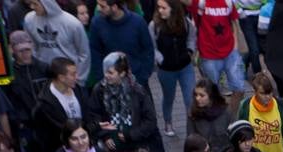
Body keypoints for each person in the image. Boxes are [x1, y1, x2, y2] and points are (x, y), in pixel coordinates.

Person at [90, 53, 160, 152]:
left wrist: (131, 135)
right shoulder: (99, 90)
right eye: (105, 71)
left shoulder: (138, 91)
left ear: (122, 73)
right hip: (114, 149)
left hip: (137, 145)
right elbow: (94, 116)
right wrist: (104, 135)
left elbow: (150, 121)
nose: (106, 76)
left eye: (110, 73)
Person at [33, 59, 96, 152]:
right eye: (73, 74)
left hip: (86, 149)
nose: (77, 77)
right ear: (61, 77)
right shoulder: (45, 104)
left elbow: (88, 116)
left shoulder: (79, 91)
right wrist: (95, 127)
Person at [3, 29, 54, 152]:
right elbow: (6, 101)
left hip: (47, 124)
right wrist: (17, 121)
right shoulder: (9, 75)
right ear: (13, 50)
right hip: (24, 127)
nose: (25, 54)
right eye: (21, 51)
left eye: (27, 50)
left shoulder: (44, 68)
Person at [151, 0, 197, 137]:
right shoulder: (154, 26)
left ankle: (191, 127)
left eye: (164, 8)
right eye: (159, 7)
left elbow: (191, 38)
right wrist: (161, 59)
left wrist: (189, 52)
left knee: (190, 98)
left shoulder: (185, 23)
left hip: (185, 67)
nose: (160, 10)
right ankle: (168, 122)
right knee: (168, 97)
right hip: (166, 70)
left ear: (173, 8)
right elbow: (151, 47)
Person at [90, 0, 156, 91]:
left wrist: (142, 77)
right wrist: (102, 77)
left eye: (102, 6)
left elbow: (148, 50)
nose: (98, 9)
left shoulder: (138, 22)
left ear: (114, 7)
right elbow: (94, 51)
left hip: (137, 81)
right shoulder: (97, 23)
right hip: (110, 83)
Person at [189, 0, 245, 97]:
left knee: (239, 89)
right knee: (212, 91)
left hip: (230, 52)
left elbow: (233, 22)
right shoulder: (200, 2)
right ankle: (215, 111)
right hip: (208, 54)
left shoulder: (228, 2)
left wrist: (235, 47)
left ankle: (233, 112)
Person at [24, 0, 91, 74]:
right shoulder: (29, 20)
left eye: (35, 4)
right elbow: (31, 46)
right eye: (30, 3)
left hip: (67, 75)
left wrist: (79, 80)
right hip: (42, 73)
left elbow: (84, 54)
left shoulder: (72, 23)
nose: (32, 7)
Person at [186, 79, 234, 152]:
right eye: (196, 94)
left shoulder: (225, 111)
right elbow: (191, 140)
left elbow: (233, 135)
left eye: (202, 95)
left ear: (211, 96)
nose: (197, 98)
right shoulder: (193, 113)